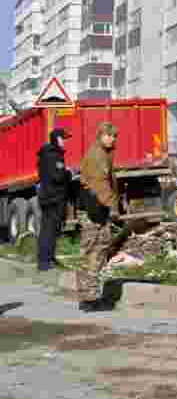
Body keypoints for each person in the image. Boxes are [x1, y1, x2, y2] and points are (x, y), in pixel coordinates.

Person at [77, 122, 121, 312]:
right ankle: (89, 299)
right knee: (92, 253)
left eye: (115, 136)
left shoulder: (101, 153)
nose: (113, 139)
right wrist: (113, 207)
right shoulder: (97, 156)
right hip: (94, 210)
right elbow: (101, 185)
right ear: (101, 135)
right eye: (110, 135)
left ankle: (90, 296)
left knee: (97, 252)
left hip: (96, 209)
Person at [36, 127, 72, 271]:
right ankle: (45, 262)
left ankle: (48, 258)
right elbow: (57, 176)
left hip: (49, 196)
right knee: (49, 230)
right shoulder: (53, 156)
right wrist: (68, 173)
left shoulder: (46, 154)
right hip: (53, 198)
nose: (64, 142)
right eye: (63, 139)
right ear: (57, 139)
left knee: (50, 229)